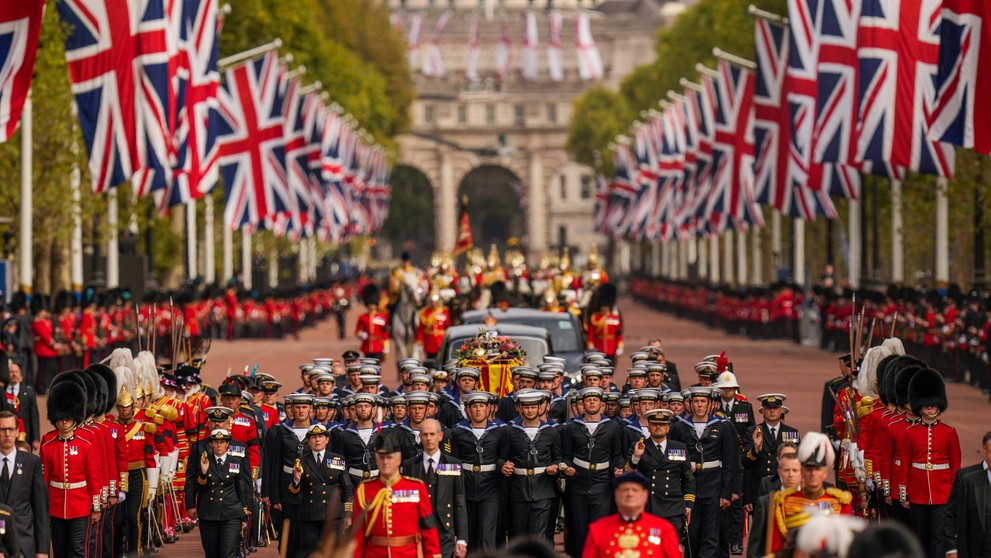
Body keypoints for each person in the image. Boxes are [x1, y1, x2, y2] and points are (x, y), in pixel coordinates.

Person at [896, 368, 960, 558]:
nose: (930, 408)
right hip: (918, 492)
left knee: (939, 535)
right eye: (926, 405)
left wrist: (955, 494)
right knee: (921, 535)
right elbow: (905, 463)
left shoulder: (949, 432)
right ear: (919, 405)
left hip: (942, 491)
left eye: (933, 404)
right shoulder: (910, 432)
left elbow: (955, 466)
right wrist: (903, 493)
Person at [670, 386, 739, 558]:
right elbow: (674, 458)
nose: (699, 405)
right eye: (696, 401)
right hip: (689, 488)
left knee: (711, 536)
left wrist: (726, 492)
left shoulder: (722, 427)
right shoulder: (679, 427)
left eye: (703, 401)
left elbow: (729, 462)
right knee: (691, 535)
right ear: (690, 404)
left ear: (710, 404)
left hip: (713, 487)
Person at [353, 430, 442, 558]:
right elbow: (358, 535)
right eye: (381, 457)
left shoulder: (416, 488)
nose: (385, 462)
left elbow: (428, 530)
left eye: (389, 457)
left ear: (399, 459)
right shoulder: (364, 490)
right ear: (376, 460)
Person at [40, 378, 102, 558]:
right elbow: (44, 480)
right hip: (56, 505)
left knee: (76, 550)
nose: (64, 422)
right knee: (59, 551)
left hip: (80, 505)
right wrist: (43, 507)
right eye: (61, 418)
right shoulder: (47, 444)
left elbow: (93, 478)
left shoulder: (85, 444)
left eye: (68, 417)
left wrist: (96, 507)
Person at [561, 387, 627, 557]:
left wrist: (618, 467)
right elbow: (566, 455)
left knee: (600, 529)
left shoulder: (613, 427)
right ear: (582, 404)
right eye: (588, 400)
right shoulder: (571, 427)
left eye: (595, 400)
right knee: (579, 530)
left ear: (602, 404)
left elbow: (617, 455)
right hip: (577, 482)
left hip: (602, 482)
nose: (591, 403)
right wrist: (567, 467)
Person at [766, 432, 852, 555]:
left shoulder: (840, 502)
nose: (813, 474)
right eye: (809, 469)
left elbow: (844, 546)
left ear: (825, 473)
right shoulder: (783, 501)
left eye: (817, 469)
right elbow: (776, 546)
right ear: (802, 471)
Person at [401, 419, 468, 558]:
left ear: (440, 436)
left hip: (445, 531)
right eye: (425, 434)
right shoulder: (410, 466)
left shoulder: (453, 464)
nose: (429, 438)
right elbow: (404, 504)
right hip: (417, 530)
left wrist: (462, 539)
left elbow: (459, 502)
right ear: (420, 437)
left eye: (432, 434)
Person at [502, 389, 563, 541]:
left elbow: (558, 458)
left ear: (540, 407)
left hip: (543, 490)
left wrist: (555, 466)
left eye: (533, 407)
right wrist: (503, 465)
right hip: (518, 491)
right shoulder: (510, 432)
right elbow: (501, 458)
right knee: (519, 536)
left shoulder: (551, 432)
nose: (530, 410)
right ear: (519, 408)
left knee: (538, 537)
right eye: (526, 407)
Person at [581, 471, 683, 558]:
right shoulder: (598, 529)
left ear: (645, 495)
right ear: (616, 495)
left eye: (635, 490)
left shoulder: (663, 529)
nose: (630, 494)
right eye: (625, 490)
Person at [627, 408, 695, 534]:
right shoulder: (639, 446)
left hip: (673, 507)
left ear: (668, 428)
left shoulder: (679, 447)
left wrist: (688, 505)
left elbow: (688, 479)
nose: (658, 427)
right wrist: (636, 457)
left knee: (671, 544)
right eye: (654, 424)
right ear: (648, 427)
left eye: (662, 424)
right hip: (649, 508)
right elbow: (628, 477)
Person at [289, 423, 353, 557]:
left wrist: (348, 515)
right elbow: (294, 491)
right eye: (313, 437)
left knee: (333, 552)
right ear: (308, 441)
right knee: (310, 553)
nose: (317, 440)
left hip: (333, 516)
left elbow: (347, 488)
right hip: (310, 517)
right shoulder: (301, 461)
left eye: (320, 437)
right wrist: (296, 479)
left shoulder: (337, 460)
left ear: (327, 439)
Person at [189, 429, 252, 558]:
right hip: (209, 514)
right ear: (211, 444)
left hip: (231, 514)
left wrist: (244, 514)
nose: (219, 445)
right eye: (216, 442)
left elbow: (241, 489)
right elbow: (200, 489)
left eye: (222, 442)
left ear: (227, 444)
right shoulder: (205, 461)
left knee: (228, 554)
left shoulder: (235, 462)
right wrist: (203, 473)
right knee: (211, 554)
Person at [0, 409, 48, 558]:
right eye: (2, 429)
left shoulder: (32, 463)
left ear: (17, 432)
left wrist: (42, 550)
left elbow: (40, 509)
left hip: (24, 541)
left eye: (11, 429)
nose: (7, 434)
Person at [942, 431, 991, 558]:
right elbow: (951, 513)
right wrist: (951, 548)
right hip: (976, 551)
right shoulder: (966, 478)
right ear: (984, 450)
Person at [746, 451, 800, 558]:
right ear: (779, 472)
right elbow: (755, 545)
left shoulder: (810, 502)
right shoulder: (766, 503)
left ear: (801, 472)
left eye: (795, 470)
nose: (791, 475)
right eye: (786, 470)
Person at [5, 360, 40, 452]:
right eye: (11, 372)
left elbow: (34, 416)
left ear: (21, 375)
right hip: (6, 434)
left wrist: (36, 438)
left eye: (16, 372)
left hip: (25, 435)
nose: (14, 374)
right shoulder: (2, 392)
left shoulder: (29, 393)